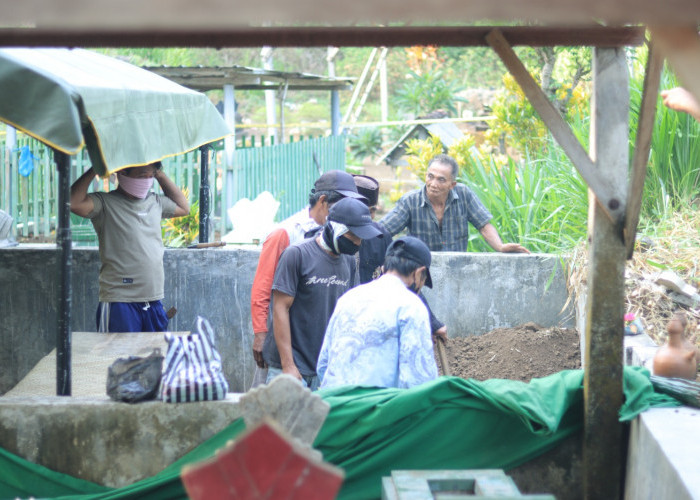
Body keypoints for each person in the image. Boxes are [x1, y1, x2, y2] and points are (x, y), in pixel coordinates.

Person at [261, 197, 382, 390]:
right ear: (336, 228)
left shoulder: (349, 262)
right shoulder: (297, 255)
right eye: (354, 235)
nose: (358, 242)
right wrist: (288, 365)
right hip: (290, 370)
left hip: (325, 371)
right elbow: (280, 308)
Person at [249, 170, 365, 371]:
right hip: (284, 347)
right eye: (341, 205)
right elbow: (263, 287)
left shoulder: (340, 243)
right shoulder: (286, 233)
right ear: (323, 201)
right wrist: (261, 333)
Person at [70, 162, 189, 332]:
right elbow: (73, 203)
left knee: (154, 357)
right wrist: (95, 169)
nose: (147, 181)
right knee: (120, 358)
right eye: (142, 176)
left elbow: (184, 208)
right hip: (119, 302)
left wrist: (160, 174)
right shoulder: (104, 203)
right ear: (122, 173)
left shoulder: (155, 202)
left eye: (151, 176)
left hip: (153, 300)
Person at [317, 236, 439, 389]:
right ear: (418, 273)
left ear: (383, 268)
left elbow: (323, 365)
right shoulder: (411, 306)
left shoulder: (348, 298)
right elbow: (419, 381)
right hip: (378, 409)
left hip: (336, 407)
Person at [353, 174, 448, 341]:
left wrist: (433, 323)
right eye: (362, 212)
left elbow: (405, 282)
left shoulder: (380, 236)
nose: (369, 218)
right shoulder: (328, 241)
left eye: (372, 211)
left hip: (376, 326)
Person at [380, 154, 529, 254]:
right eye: (430, 176)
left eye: (441, 179)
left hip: (457, 271)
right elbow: (382, 232)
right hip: (420, 272)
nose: (433, 184)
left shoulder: (463, 194)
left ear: (452, 184)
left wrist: (500, 247)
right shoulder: (410, 201)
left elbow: (483, 225)